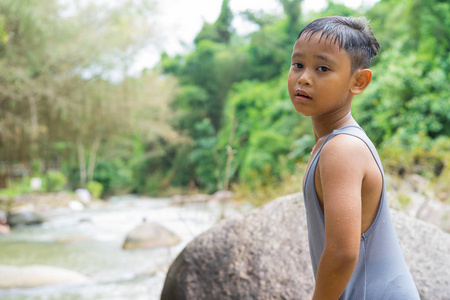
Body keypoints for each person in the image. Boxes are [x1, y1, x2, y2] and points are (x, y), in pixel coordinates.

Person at [288, 16, 420, 299]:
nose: (304, 78)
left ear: (358, 81)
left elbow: (342, 252)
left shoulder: (342, 148)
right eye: (298, 64)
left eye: (322, 68)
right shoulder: (331, 143)